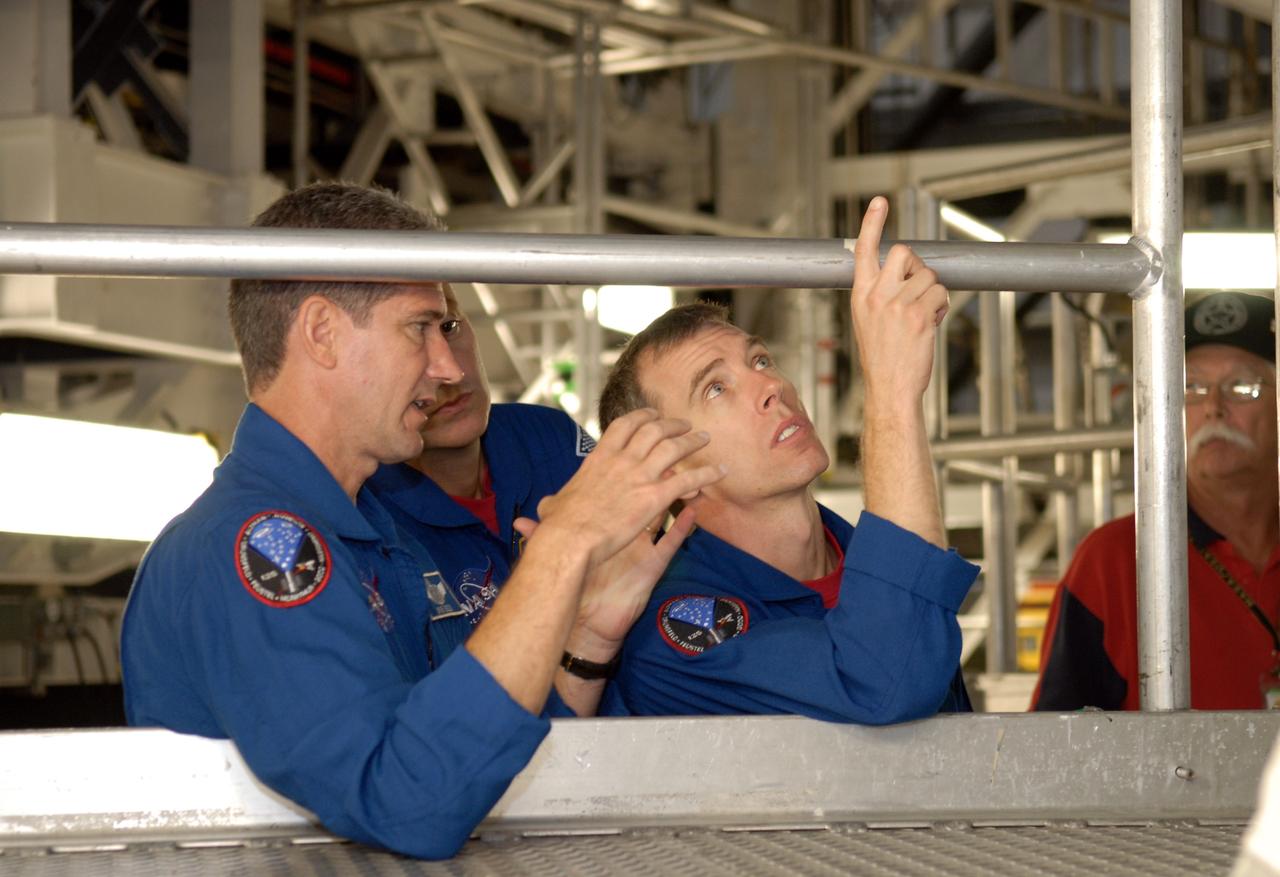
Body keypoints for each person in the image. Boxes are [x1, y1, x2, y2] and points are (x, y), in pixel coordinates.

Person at [120, 182, 724, 859]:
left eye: (448, 330)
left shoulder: (374, 535)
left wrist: (584, 642)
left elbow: (469, 774)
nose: (445, 369)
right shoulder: (258, 547)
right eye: (420, 328)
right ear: (321, 332)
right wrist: (565, 543)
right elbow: (407, 803)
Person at [597, 196, 979, 722]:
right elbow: (885, 684)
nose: (771, 385)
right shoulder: (673, 633)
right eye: (715, 389)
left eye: (760, 359)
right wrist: (890, 391)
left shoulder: (863, 558)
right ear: (668, 469)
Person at [1033, 291, 1280, 711]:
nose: (1213, 408)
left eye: (1242, 387)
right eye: (1192, 386)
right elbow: (1059, 752)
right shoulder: (1113, 561)